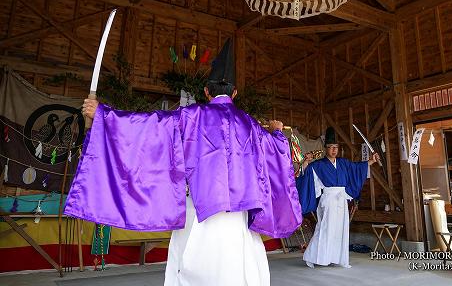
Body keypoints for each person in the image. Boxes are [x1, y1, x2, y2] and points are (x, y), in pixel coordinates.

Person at [64, 38, 302, 286]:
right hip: (239, 215)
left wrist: (103, 115)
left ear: (206, 92)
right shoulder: (250, 124)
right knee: (237, 270)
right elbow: (277, 153)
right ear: (234, 93)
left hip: (198, 209)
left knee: (193, 266)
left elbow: (148, 127)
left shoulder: (191, 116)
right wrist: (276, 132)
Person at [295, 127, 379, 268]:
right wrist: (305, 163)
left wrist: (371, 161)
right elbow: (305, 175)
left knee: (340, 229)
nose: (333, 150)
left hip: (341, 200)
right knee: (325, 228)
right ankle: (314, 257)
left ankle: (336, 258)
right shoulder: (318, 165)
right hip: (328, 200)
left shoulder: (343, 163)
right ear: (325, 148)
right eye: (330, 147)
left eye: (336, 147)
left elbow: (357, 168)